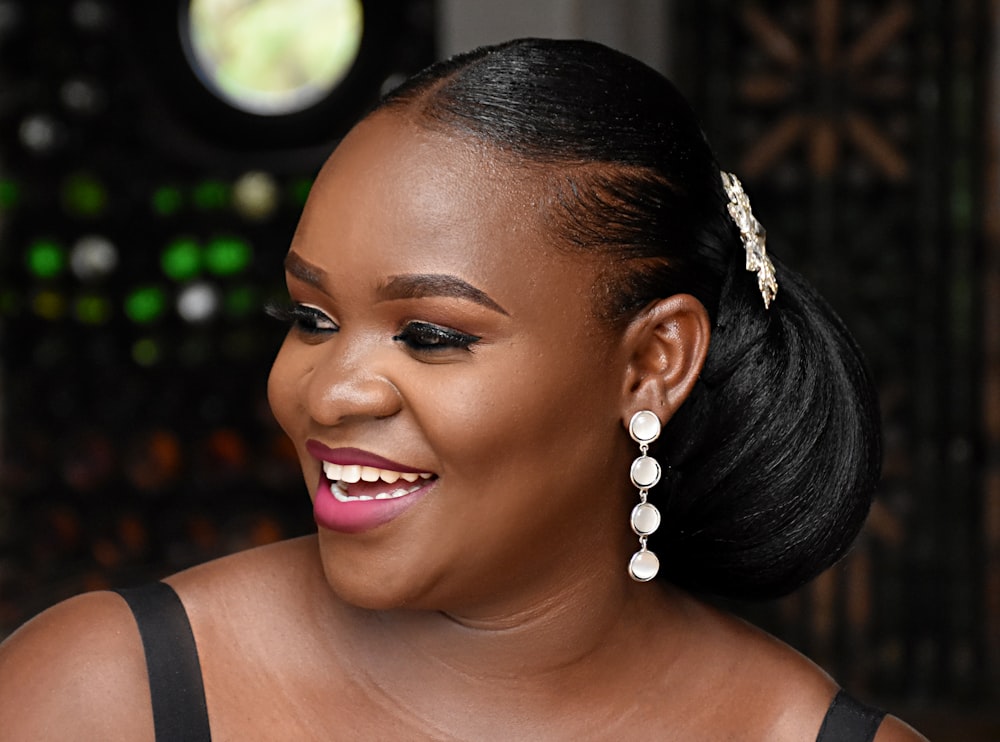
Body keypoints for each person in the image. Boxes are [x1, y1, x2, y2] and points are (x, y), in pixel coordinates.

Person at [0, 38, 927, 741]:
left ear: (652, 365)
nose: (329, 395)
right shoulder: (103, 695)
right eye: (311, 318)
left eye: (431, 336)